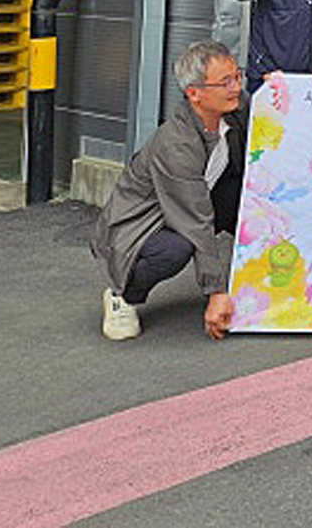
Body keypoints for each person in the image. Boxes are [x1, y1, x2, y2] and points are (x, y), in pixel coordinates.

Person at [89, 41, 246, 341]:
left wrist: (281, 86)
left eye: (237, 76)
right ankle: (122, 294)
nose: (236, 87)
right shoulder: (176, 144)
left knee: (256, 205)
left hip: (191, 204)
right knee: (176, 248)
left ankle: (265, 283)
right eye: (225, 82)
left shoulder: (231, 109)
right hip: (140, 225)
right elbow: (196, 220)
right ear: (194, 93)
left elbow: (272, 106)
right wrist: (216, 292)